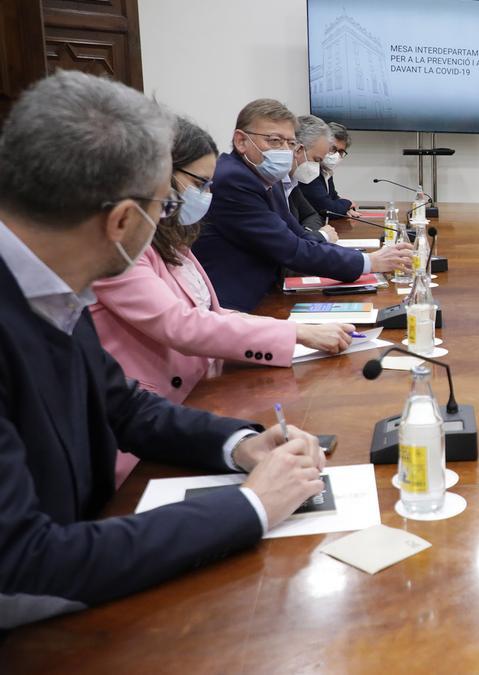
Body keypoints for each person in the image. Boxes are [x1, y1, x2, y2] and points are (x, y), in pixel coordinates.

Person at [0, 71, 327, 628]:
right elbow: (24, 569)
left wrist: (241, 444)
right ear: (123, 220)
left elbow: (123, 406)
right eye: (165, 205)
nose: (169, 219)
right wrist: (251, 504)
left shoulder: (52, 282)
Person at [90, 116, 355, 406]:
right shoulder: (120, 249)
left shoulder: (170, 238)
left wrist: (295, 332)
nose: (206, 195)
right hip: (154, 408)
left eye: (209, 185)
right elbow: (182, 325)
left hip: (202, 386)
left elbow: (212, 312)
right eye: (199, 184)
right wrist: (295, 332)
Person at [193, 99, 410, 312]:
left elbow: (299, 236)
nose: (284, 150)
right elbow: (291, 249)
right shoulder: (234, 180)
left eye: (289, 143)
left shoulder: (268, 180)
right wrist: (369, 262)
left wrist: (362, 259)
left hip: (268, 295)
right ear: (241, 141)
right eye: (275, 141)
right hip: (235, 307)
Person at [286, 116, 339, 242]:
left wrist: (308, 234)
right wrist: (320, 236)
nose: (318, 167)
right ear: (298, 150)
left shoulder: (291, 183)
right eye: (316, 160)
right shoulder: (272, 184)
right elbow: (283, 240)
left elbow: (311, 215)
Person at [298, 120, 358, 218]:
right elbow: (328, 208)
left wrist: (345, 209)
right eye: (332, 149)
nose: (336, 155)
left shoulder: (325, 170)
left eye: (341, 152)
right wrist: (348, 203)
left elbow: (333, 197)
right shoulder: (309, 170)